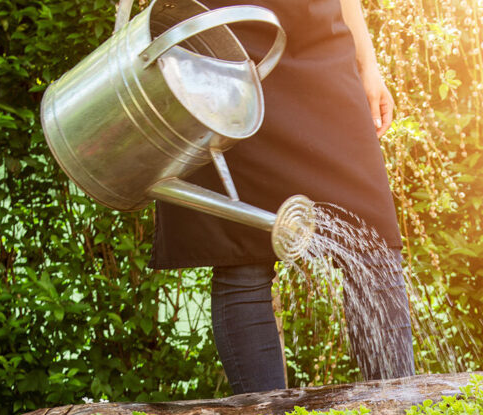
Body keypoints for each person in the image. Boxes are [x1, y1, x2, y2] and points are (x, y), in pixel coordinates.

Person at [151, 0, 415, 394]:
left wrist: (368, 64)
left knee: (372, 248)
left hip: (320, 41)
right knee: (242, 253)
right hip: (223, 41)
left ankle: (398, 414)